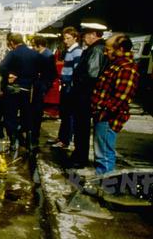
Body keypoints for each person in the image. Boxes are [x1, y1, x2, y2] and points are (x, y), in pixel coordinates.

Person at [90, 34, 140, 175]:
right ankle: (103, 181)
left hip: (108, 117)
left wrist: (104, 112)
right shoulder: (117, 65)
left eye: (109, 49)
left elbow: (122, 97)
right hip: (104, 115)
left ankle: (104, 185)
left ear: (121, 49)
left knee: (104, 154)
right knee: (102, 151)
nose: (105, 52)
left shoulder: (126, 68)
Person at [69, 22, 108, 168]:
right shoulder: (95, 49)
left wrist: (78, 87)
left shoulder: (96, 50)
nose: (83, 37)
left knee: (82, 128)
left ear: (93, 34)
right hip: (85, 95)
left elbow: (92, 75)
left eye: (85, 34)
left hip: (84, 96)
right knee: (81, 128)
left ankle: (80, 158)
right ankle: (79, 155)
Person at [0, 32, 41, 151]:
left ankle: (13, 141)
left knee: (10, 115)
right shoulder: (34, 54)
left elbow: (1, 67)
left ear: (12, 43)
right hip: (27, 88)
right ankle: (29, 141)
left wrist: (9, 74)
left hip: (14, 88)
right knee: (26, 114)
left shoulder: (13, 53)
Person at [52, 27, 83, 149]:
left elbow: (77, 71)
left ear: (75, 38)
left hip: (70, 86)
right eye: (64, 38)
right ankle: (61, 138)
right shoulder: (70, 51)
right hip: (66, 85)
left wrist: (71, 86)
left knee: (68, 114)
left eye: (68, 38)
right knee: (64, 113)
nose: (65, 41)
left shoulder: (76, 52)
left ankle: (64, 140)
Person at [32, 35, 58, 147]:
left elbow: (50, 73)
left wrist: (45, 84)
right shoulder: (44, 54)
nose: (32, 48)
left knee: (37, 108)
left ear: (39, 45)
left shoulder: (47, 56)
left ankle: (35, 132)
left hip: (42, 84)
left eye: (34, 45)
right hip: (42, 83)